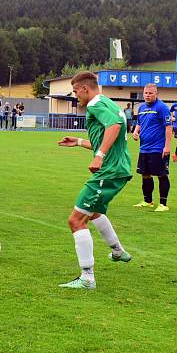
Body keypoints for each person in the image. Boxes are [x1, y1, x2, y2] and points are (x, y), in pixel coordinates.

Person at [56, 71, 132, 290]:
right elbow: (109, 132)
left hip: (108, 171)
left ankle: (87, 278)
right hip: (117, 169)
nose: (76, 96)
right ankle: (118, 251)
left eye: (75, 92)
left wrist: (99, 156)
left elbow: (115, 126)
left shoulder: (94, 105)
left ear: (85, 89)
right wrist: (80, 142)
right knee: (95, 211)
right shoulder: (106, 101)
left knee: (76, 220)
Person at [131, 84, 172, 212]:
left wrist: (167, 146)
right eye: (145, 93)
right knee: (145, 175)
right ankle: (148, 201)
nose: (147, 95)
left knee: (161, 175)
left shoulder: (162, 107)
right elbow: (140, 123)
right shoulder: (142, 108)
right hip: (144, 148)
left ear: (156, 94)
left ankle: (163, 204)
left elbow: (168, 127)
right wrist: (136, 132)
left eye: (150, 93)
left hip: (158, 148)